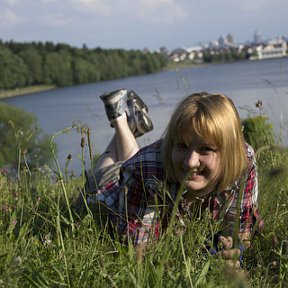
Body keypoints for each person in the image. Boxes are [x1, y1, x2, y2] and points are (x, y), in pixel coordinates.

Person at [76, 89, 263, 267]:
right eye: (182, 145)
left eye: (206, 149)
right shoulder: (141, 171)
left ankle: (124, 122)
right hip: (108, 190)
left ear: (229, 151)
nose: (191, 162)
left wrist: (232, 249)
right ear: (171, 143)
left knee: (138, 158)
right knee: (107, 166)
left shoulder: (243, 160)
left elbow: (240, 230)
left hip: (149, 164)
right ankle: (120, 120)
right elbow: (139, 253)